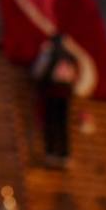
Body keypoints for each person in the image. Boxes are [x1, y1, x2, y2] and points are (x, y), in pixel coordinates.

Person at [32, 33, 78, 167]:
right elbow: (73, 77)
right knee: (62, 125)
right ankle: (64, 154)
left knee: (51, 123)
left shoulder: (49, 55)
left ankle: (51, 152)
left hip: (52, 93)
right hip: (64, 95)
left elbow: (38, 72)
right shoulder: (70, 58)